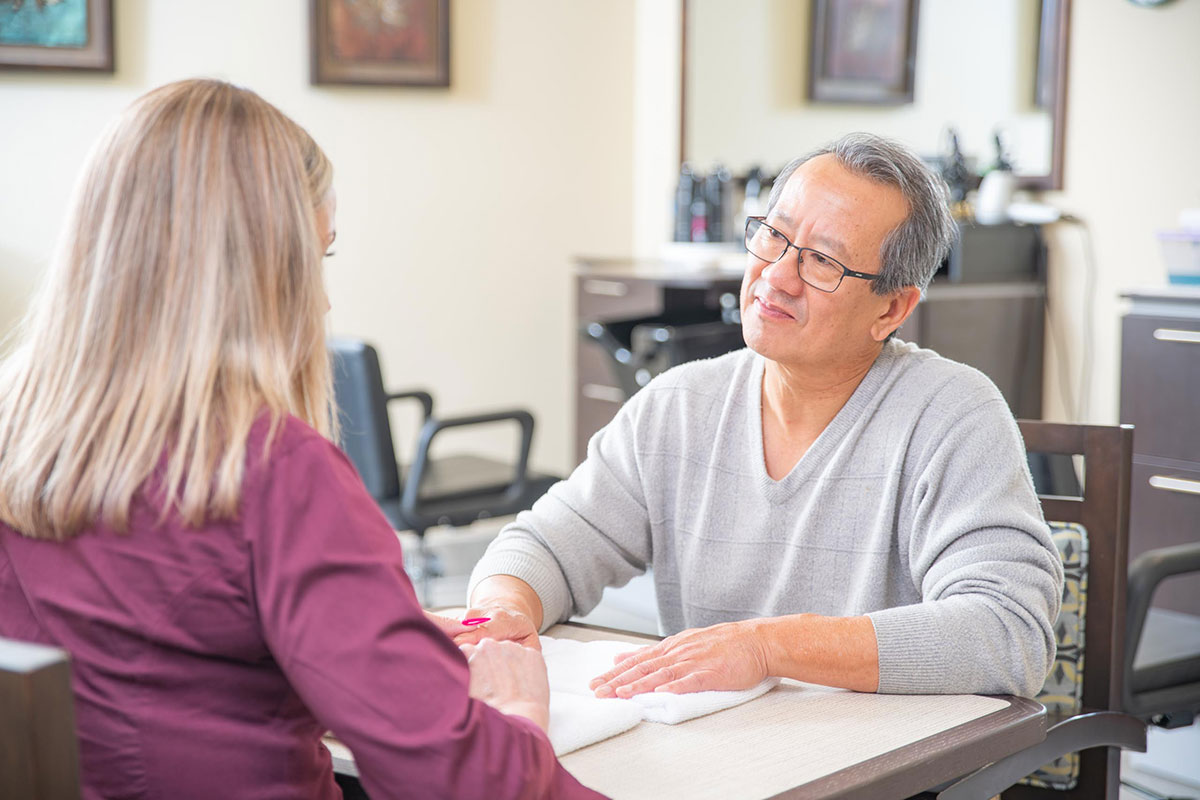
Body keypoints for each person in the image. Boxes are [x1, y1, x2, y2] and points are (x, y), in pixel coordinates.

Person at [0, 79, 600, 800]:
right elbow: (455, 777)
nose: (320, 300)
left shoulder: (21, 432)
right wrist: (517, 711)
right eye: (317, 261)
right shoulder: (272, 471)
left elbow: (164, 654)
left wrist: (386, 639)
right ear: (258, 273)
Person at [459, 133, 1064, 701]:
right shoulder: (678, 405)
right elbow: (545, 546)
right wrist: (501, 610)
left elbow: (1008, 633)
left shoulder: (953, 416)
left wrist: (768, 645)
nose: (775, 277)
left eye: (823, 261)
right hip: (716, 757)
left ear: (892, 307)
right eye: (773, 236)